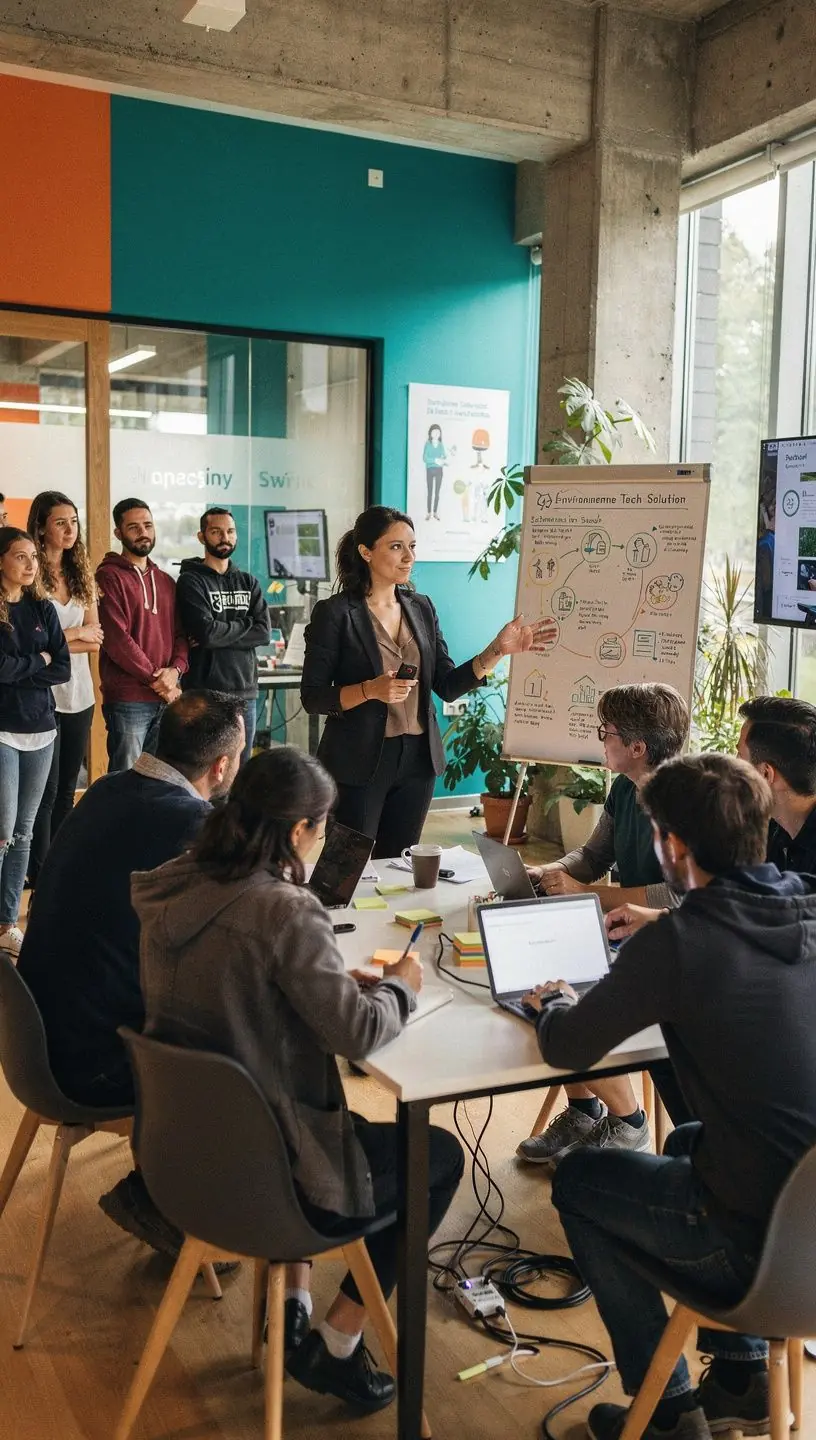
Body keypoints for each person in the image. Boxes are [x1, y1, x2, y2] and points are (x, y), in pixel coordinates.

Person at [132, 745, 465, 1410]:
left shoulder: (171, 883)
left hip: (182, 1155)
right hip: (268, 1173)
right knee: (437, 1157)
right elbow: (360, 1034)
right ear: (295, 832)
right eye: (321, 826)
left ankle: (292, 1301)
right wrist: (398, 987)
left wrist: (330, 986)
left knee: (319, 1107)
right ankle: (338, 1343)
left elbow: (242, 990)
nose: (323, 839)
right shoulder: (285, 910)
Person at [525, 754, 816, 1440]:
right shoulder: (804, 904)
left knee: (579, 1182)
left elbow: (568, 1048)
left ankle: (667, 1411)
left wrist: (555, 1004)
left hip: (755, 1250)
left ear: (674, 846)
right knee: (686, 1140)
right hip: (807, 1221)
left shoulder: (685, 941)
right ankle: (742, 1378)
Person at [18, 692, 244, 1254]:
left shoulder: (106, 788)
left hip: (35, 1035)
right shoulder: (190, 823)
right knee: (243, 1045)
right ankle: (168, 1201)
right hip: (91, 1062)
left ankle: (160, 1187)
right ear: (221, 766)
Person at [301, 505, 552, 857]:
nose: (408, 557)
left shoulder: (422, 608)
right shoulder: (336, 613)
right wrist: (370, 690)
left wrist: (497, 650)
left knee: (400, 867)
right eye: (396, 547)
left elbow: (447, 684)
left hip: (418, 761)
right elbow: (312, 697)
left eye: (413, 547)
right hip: (358, 761)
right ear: (366, 551)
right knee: (348, 867)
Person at [517, 683, 689, 1165]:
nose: (600, 739)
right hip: (619, 930)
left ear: (638, 747)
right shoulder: (623, 789)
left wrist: (589, 893)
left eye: (606, 732)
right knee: (538, 979)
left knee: (572, 996)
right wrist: (554, 873)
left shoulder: (684, 800)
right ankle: (585, 1110)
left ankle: (629, 1122)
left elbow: (677, 895)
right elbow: (593, 856)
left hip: (663, 942)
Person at [26, 491, 103, 886]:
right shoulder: (29, 575)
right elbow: (29, 643)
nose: (70, 529)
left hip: (80, 695)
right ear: (41, 527)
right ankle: (36, 872)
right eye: (60, 522)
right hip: (41, 696)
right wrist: (71, 635)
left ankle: (55, 868)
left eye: (73, 521)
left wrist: (58, 641)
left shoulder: (82, 574)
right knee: (43, 790)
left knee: (66, 790)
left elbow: (96, 639)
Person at [0, 528, 69, 955]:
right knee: (2, 832)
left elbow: (60, 666)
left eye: (33, 557)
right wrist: (36, 661)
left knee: (24, 832)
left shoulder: (42, 606)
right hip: (3, 730)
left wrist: (27, 665)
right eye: (20, 556)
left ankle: (8, 921)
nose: (30, 564)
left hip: (41, 729)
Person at [96, 498, 189, 772]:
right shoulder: (108, 577)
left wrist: (175, 671)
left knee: (159, 778)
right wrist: (158, 680)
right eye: (134, 527)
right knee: (125, 778)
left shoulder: (165, 581)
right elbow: (117, 639)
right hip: (128, 699)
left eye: (147, 525)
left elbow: (181, 635)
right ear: (119, 533)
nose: (143, 532)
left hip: (165, 698)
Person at [175, 506, 270, 765]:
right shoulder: (191, 581)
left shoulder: (248, 582)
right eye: (216, 532)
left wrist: (221, 630)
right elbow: (206, 634)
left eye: (229, 531)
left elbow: (263, 631)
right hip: (205, 693)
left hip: (244, 693)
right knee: (204, 768)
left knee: (239, 769)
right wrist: (245, 624)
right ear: (201, 536)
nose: (224, 537)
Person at [422, 424, 447, 521]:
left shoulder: (441, 445)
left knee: (437, 492)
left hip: (439, 470)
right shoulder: (428, 444)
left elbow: (444, 455)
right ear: (430, 433)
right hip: (430, 469)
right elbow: (425, 458)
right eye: (434, 432)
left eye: (438, 432)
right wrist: (435, 460)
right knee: (430, 492)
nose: (436, 434)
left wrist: (444, 459)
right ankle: (429, 512)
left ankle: (435, 512)